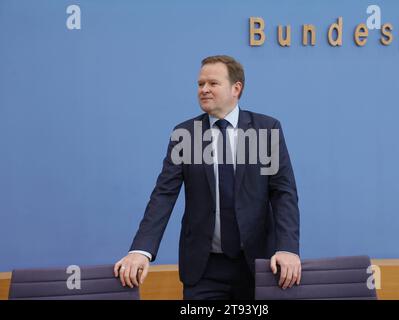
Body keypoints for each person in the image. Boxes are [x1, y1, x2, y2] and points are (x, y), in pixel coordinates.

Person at [114, 55, 301, 300]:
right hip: (204, 269)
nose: (204, 89)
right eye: (200, 84)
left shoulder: (266, 130)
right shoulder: (185, 134)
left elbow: (283, 192)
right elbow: (164, 194)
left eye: (212, 83)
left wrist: (287, 248)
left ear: (236, 88)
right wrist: (141, 250)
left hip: (259, 266)